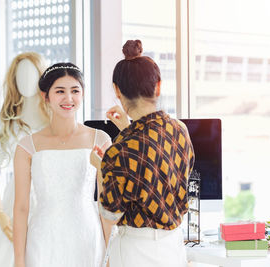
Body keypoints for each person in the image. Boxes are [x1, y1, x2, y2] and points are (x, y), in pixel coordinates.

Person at [90, 40, 195, 267]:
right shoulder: (180, 130)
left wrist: (101, 167)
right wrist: (127, 128)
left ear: (117, 91)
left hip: (136, 251)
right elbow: (156, 163)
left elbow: (110, 214)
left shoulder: (119, 150)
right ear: (158, 86)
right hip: (174, 247)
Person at [13, 62, 111, 267]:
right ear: (45, 96)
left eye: (75, 91)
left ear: (82, 94)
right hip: (43, 241)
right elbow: (21, 208)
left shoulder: (100, 140)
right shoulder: (26, 146)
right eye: (60, 91)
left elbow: (106, 204)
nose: (68, 98)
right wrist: (19, 260)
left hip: (87, 239)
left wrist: (111, 254)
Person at [0, 52, 48, 267]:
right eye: (20, 75)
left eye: (31, 74)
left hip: (49, 199)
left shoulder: (55, 115)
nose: (25, 81)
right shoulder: (8, 118)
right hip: (15, 199)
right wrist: (0, 213)